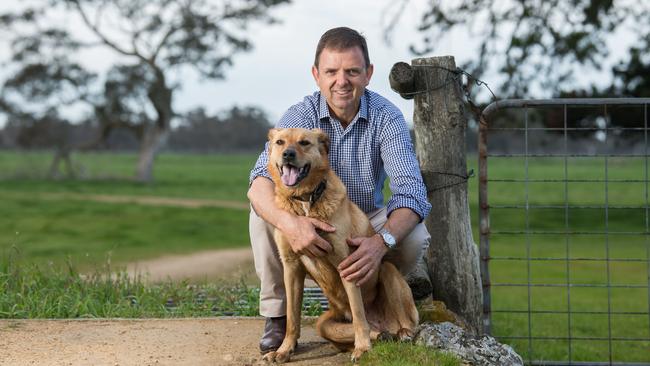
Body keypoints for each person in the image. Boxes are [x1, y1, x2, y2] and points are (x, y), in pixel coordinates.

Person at [247, 26, 431, 355]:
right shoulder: (299, 117)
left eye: (352, 71)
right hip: (307, 209)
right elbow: (259, 180)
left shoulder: (386, 117)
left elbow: (411, 192)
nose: (341, 81)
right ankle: (278, 316)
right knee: (263, 218)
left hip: (365, 217)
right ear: (317, 75)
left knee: (414, 233)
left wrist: (380, 242)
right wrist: (291, 225)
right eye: (331, 71)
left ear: (368, 74)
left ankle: (383, 298)